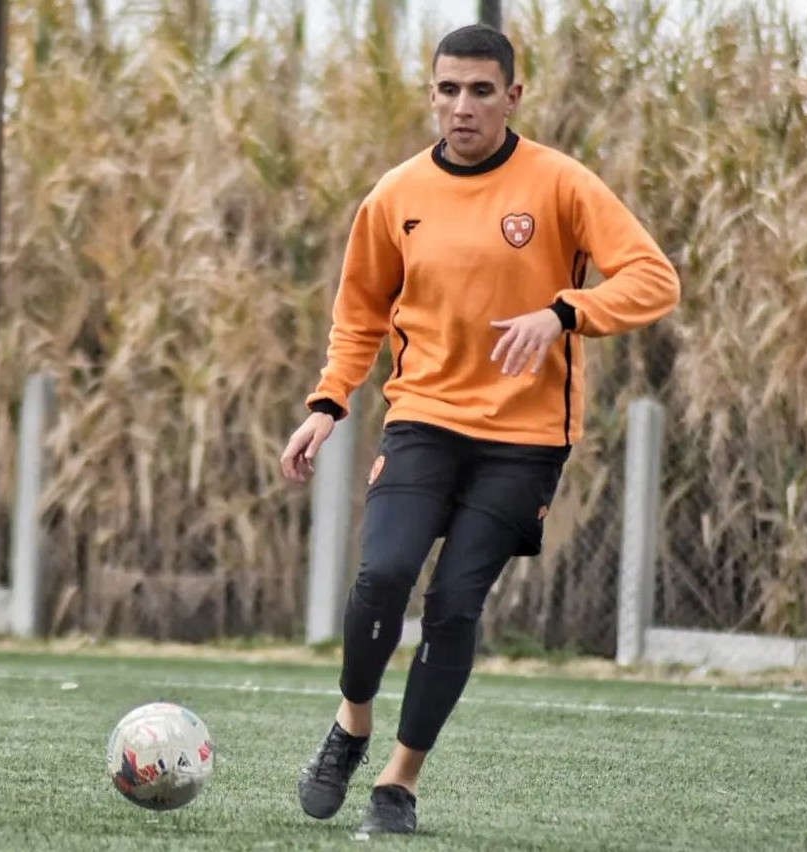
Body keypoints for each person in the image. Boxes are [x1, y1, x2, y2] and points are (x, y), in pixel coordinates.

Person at [280, 24, 679, 835]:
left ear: (512, 96)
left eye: (481, 90)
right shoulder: (395, 196)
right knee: (383, 575)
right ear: (431, 95)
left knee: (455, 603)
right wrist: (327, 404)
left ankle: (398, 783)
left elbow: (653, 279)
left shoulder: (561, 184)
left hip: (524, 439)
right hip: (423, 419)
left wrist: (564, 311)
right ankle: (352, 724)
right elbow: (359, 314)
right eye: (448, 89)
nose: (462, 106)